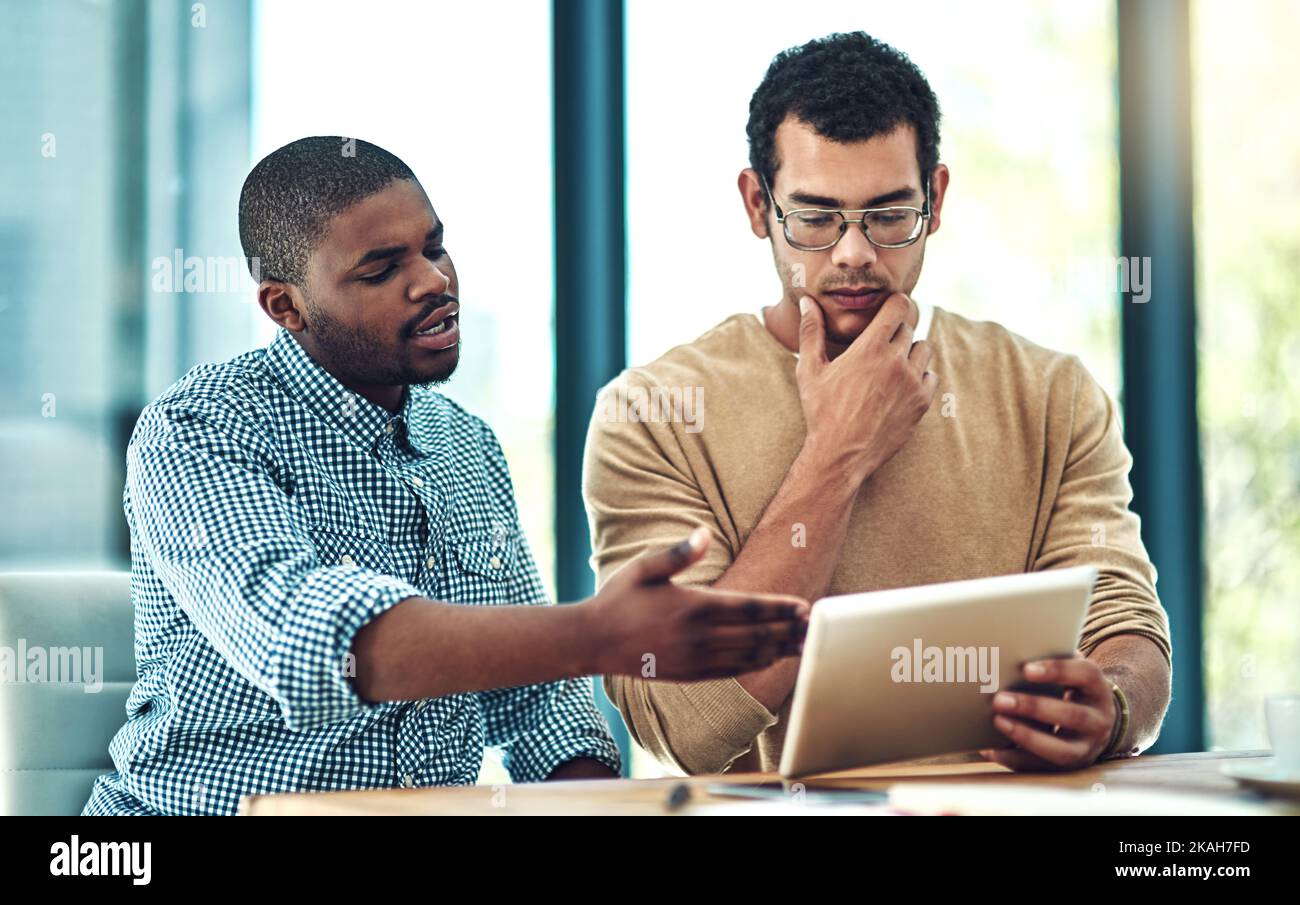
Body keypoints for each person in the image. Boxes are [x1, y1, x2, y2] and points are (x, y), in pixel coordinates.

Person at [85, 137, 807, 815]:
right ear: (286, 306)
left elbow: (540, 706)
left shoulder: (466, 444)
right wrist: (598, 634)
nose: (433, 281)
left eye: (435, 247)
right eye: (382, 269)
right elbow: (321, 645)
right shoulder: (200, 428)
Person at [584, 33, 1172, 776]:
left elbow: (1126, 628)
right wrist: (839, 451)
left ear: (937, 198)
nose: (855, 254)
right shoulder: (650, 413)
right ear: (758, 204)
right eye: (817, 217)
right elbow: (684, 723)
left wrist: (1111, 704)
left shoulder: (1050, 393)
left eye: (890, 214)